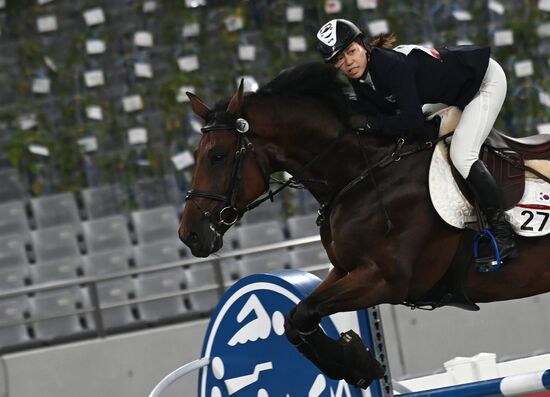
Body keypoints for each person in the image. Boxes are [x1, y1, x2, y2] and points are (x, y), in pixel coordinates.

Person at [316, 18, 517, 263]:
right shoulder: (361, 76)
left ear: (363, 46)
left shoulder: (389, 66)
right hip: (450, 91)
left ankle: (503, 233)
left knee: (462, 155)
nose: (347, 62)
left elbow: (410, 122)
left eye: (351, 51)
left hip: (483, 80)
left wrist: (370, 125)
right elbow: (383, 114)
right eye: (338, 59)